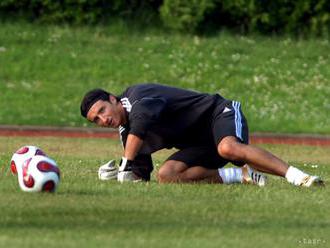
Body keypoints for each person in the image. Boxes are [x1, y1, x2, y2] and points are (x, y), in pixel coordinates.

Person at [80, 83, 324, 187]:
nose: (104, 120)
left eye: (102, 110)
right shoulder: (128, 136)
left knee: (228, 148)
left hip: (218, 114)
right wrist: (117, 176)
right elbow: (140, 177)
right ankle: (241, 175)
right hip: (202, 144)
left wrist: (125, 162)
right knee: (168, 175)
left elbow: (142, 121)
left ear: (113, 99)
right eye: (96, 120)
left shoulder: (136, 96)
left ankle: (300, 178)